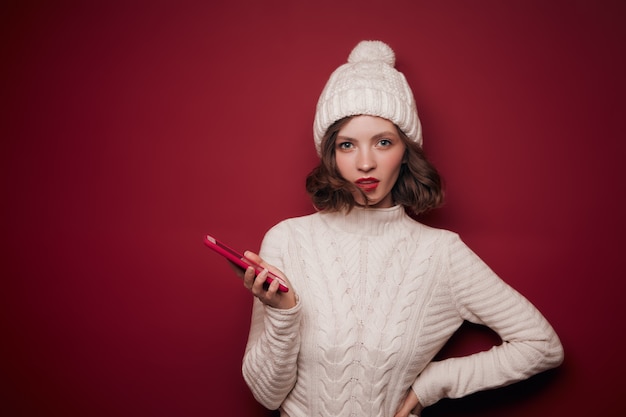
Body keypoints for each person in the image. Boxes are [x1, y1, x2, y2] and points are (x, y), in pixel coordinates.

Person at [237, 40, 564, 417]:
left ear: (406, 151)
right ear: (330, 154)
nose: (365, 163)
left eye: (383, 142)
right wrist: (283, 313)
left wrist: (432, 386)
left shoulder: (441, 253)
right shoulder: (288, 240)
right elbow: (266, 396)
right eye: (347, 145)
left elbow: (542, 345)